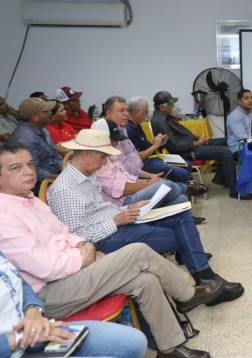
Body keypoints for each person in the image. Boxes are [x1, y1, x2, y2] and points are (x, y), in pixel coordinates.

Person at [0, 143, 222, 358]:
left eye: (30, 165)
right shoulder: (5, 217)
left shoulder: (30, 199)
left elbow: (65, 233)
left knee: (145, 280)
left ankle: (170, 347)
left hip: (71, 270)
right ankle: (187, 295)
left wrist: (84, 247)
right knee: (138, 252)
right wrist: (83, 254)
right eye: (16, 168)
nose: (28, 172)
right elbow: (46, 268)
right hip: (48, 293)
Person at [48, 129, 243, 306]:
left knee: (180, 213)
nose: (105, 161)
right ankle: (193, 289)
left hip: (117, 224)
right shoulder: (65, 190)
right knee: (180, 237)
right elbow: (79, 238)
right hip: (104, 240)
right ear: (86, 154)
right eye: (103, 157)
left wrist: (126, 209)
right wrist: (116, 220)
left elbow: (100, 208)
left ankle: (205, 279)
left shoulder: (86, 175)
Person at [0, 251, 148, 358]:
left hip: (38, 329)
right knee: (138, 253)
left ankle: (169, 343)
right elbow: (48, 268)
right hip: (16, 345)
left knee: (134, 341)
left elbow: (17, 281)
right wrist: (18, 338)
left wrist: (33, 311)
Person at [92, 97, 192, 208]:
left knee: (181, 199)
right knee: (167, 183)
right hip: (123, 199)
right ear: (109, 113)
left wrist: (149, 178)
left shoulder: (121, 130)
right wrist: (149, 182)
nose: (126, 114)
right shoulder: (99, 155)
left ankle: (184, 192)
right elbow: (119, 185)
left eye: (127, 110)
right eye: (121, 111)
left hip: (137, 174)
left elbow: (125, 171)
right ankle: (188, 188)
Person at [151, 91, 239, 198]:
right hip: (186, 152)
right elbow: (175, 145)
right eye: (170, 104)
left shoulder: (164, 116)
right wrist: (196, 143)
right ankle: (235, 190)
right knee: (225, 151)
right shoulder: (160, 122)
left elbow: (182, 133)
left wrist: (199, 138)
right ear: (162, 107)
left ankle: (221, 178)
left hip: (192, 145)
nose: (173, 106)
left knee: (226, 141)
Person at [126, 96, 193, 184]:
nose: (146, 115)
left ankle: (183, 188)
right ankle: (180, 190)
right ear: (135, 112)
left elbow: (144, 145)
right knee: (182, 173)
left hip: (151, 158)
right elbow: (138, 157)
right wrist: (155, 145)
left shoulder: (137, 125)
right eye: (145, 112)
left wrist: (159, 143)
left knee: (187, 165)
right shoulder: (128, 129)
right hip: (142, 164)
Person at [8, 98, 62, 190]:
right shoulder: (25, 138)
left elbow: (55, 154)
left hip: (54, 175)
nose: (50, 112)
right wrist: (60, 178)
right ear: (34, 118)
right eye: (45, 111)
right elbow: (34, 172)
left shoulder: (43, 129)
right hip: (36, 185)